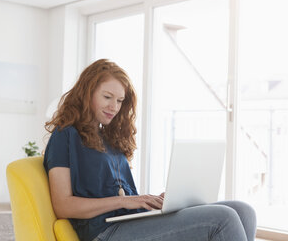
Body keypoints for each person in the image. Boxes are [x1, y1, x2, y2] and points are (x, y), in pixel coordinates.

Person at [44, 59, 257, 241]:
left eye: (119, 101)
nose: (114, 107)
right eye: (107, 97)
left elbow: (123, 196)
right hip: (104, 233)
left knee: (243, 211)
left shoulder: (107, 136)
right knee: (223, 218)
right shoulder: (65, 135)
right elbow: (63, 205)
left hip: (129, 222)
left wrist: (153, 201)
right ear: (86, 92)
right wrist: (125, 201)